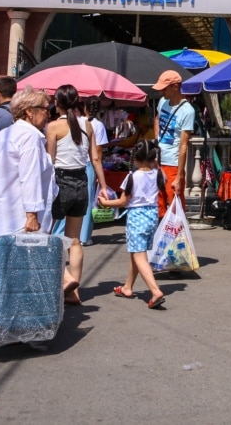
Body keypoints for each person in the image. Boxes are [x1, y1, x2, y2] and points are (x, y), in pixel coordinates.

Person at [46, 85, 109, 306]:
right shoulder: (88, 126)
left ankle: (65, 280)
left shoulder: (53, 127)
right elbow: (96, 158)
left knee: (47, 235)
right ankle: (74, 288)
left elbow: (49, 162)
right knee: (74, 240)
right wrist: (102, 185)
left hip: (60, 183)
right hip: (82, 182)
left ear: (58, 103)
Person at [100, 140, 166, 309]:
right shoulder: (158, 173)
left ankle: (155, 290)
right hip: (152, 216)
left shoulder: (133, 177)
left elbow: (123, 201)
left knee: (139, 255)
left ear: (135, 159)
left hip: (137, 217)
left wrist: (105, 203)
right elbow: (159, 172)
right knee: (137, 253)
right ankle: (127, 287)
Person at [0, 88, 56, 237]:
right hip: (19, 220)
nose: (48, 115)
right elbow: (30, 177)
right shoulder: (29, 137)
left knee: (0, 259)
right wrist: (32, 215)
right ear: (29, 111)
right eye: (45, 110)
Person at [153, 70, 193, 219]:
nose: (161, 91)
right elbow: (157, 119)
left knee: (174, 202)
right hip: (158, 160)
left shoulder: (187, 111)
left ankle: (178, 237)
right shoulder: (162, 102)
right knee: (158, 202)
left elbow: (184, 146)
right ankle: (159, 236)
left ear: (175, 87)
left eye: (164, 88)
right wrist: (157, 138)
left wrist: (179, 176)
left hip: (173, 163)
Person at [80, 97, 110, 246]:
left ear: (84, 107)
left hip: (76, 163)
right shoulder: (98, 125)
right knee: (89, 199)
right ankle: (84, 236)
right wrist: (100, 174)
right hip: (90, 164)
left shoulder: (77, 122)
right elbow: (98, 151)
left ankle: (72, 233)